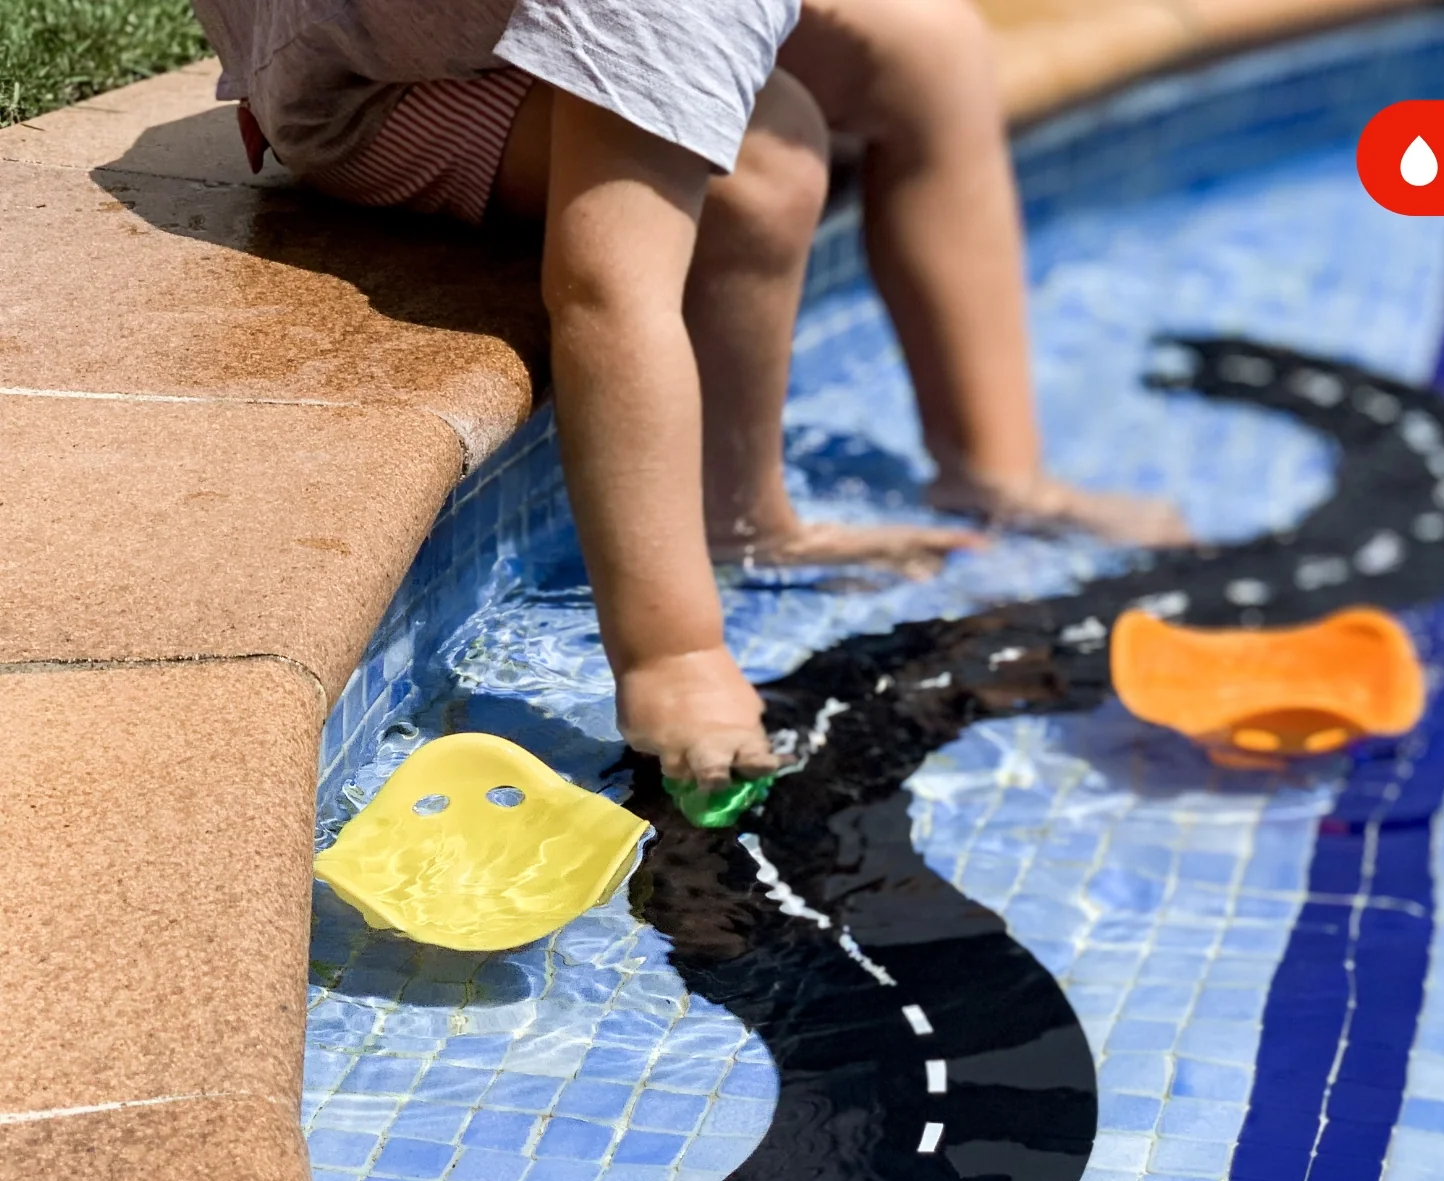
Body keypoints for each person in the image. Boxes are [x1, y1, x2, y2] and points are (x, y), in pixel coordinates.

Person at [189, 0, 1190, 789]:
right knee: (762, 166)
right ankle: (739, 520)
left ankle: (996, 471)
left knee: (932, 48)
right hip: (362, 91)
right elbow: (605, 294)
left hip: (461, 24)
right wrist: (672, 654)